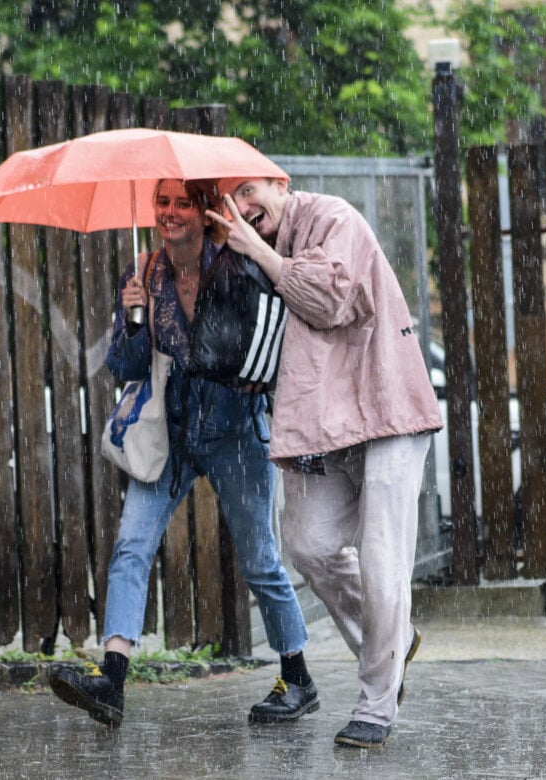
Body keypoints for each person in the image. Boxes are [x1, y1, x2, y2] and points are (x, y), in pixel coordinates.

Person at [49, 178, 315, 729]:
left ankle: (298, 677)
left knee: (260, 560)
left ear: (203, 210)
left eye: (182, 203)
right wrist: (134, 319)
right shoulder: (144, 272)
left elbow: (268, 346)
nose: (170, 214)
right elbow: (123, 369)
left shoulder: (237, 262)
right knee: (131, 547)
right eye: (162, 202)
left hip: (235, 431)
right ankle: (112, 682)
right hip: (168, 435)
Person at [207, 176, 443, 749]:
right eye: (229, 200)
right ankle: (392, 637)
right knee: (308, 543)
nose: (241, 207)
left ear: (279, 183)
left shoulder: (333, 217)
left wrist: (258, 253)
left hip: (386, 408)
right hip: (323, 426)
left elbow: (331, 299)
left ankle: (377, 703)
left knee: (382, 558)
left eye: (248, 190)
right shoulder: (242, 252)